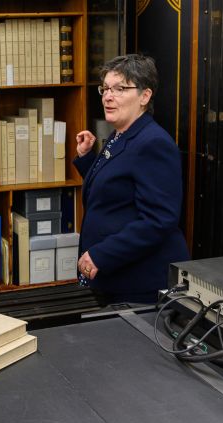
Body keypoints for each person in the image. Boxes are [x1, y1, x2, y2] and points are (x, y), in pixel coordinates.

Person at [73, 54, 189, 305]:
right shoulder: (121, 134)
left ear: (145, 96)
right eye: (105, 88)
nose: (108, 96)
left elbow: (159, 219)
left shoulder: (153, 143)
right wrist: (87, 159)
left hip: (141, 282)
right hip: (117, 276)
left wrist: (102, 254)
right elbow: (117, 188)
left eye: (119, 89)